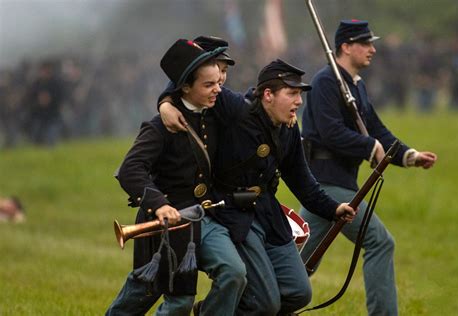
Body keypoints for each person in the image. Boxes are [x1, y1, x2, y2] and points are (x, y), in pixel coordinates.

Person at [159, 58, 356, 315]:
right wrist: (165, 102)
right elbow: (189, 73)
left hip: (268, 215)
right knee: (266, 304)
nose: (299, 101)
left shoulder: (288, 129)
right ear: (268, 95)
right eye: (292, 94)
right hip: (233, 214)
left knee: (299, 293)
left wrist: (334, 208)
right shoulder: (235, 109)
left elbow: (302, 180)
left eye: (299, 94)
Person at [300, 20, 438, 316]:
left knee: (296, 266)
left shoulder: (355, 86)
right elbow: (330, 132)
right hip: (326, 183)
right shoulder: (326, 81)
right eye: (365, 43)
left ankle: (258, 303)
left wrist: (410, 156)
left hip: (338, 183)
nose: (373, 49)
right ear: (346, 47)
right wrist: (369, 147)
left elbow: (377, 129)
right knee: (380, 242)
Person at [106, 39, 247, 316]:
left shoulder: (214, 114)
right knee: (150, 293)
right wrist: (159, 204)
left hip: (203, 218)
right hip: (166, 222)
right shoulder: (159, 126)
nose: (218, 89)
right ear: (185, 87)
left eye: (217, 82)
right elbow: (130, 169)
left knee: (234, 273)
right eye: (208, 85)